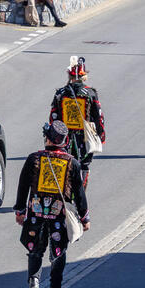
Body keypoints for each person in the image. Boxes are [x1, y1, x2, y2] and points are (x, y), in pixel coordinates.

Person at [15, 121, 89, 288]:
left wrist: (20, 210)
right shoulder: (72, 162)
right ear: (65, 141)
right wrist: (84, 217)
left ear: (47, 138)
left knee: (35, 249)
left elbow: (23, 186)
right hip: (59, 214)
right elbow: (79, 193)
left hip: (35, 211)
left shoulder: (34, 158)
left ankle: (34, 280)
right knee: (59, 250)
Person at [50, 56, 105, 189]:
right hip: (84, 137)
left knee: (64, 163)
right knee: (84, 165)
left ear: (69, 76)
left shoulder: (60, 93)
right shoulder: (90, 93)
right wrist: (100, 134)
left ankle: (65, 191)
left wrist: (53, 137)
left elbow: (53, 117)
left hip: (65, 137)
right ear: (83, 76)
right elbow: (98, 117)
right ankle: (81, 196)